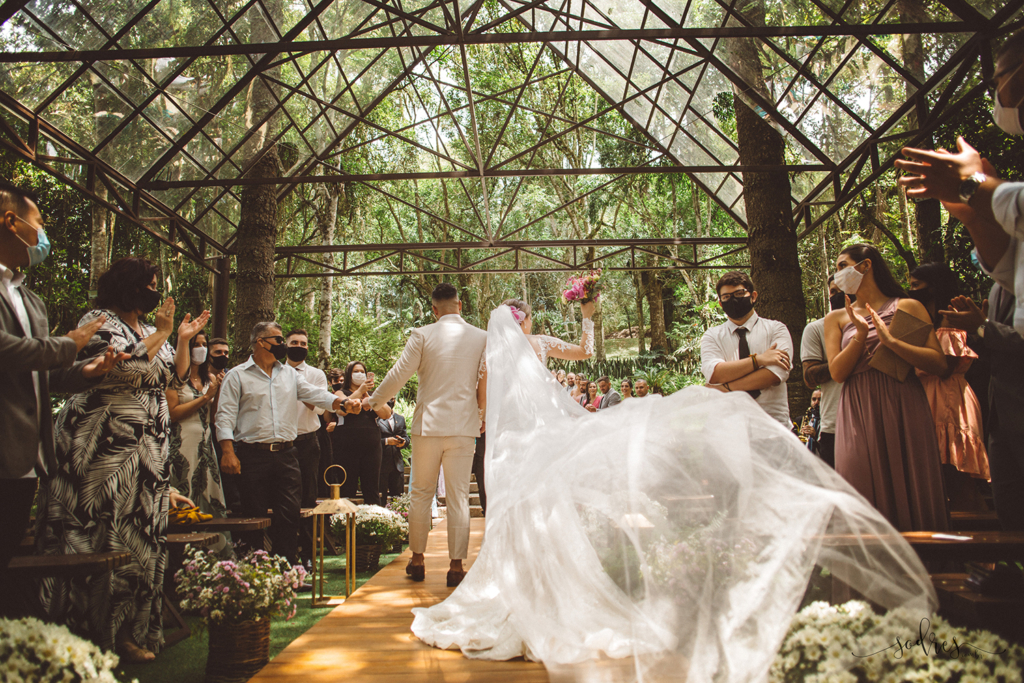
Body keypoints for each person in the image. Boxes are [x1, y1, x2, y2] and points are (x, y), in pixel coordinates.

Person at [410, 301, 936, 681]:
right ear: (515, 322)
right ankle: (536, 589)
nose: (521, 319)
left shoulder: (516, 352)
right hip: (533, 437)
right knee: (536, 517)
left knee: (532, 517)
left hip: (518, 442)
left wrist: (590, 313)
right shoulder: (503, 355)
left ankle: (534, 589)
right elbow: (528, 383)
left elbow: (546, 373)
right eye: (518, 313)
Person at [37, 257, 204, 661]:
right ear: (128, 287)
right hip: (102, 444)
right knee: (100, 532)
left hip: (148, 448)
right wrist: (161, 334)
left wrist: (178, 340)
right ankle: (90, 633)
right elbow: (118, 364)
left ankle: (131, 631)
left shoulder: (150, 329)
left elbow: (172, 379)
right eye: (148, 283)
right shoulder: (98, 319)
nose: (154, 290)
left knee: (142, 536)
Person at [896, 33, 1024, 530]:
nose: (996, 93)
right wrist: (973, 213)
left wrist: (976, 183)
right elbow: (1008, 269)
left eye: (1000, 79)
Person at [0, 183, 126, 614]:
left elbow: (44, 374)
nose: (42, 235)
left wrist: (86, 373)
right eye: (38, 223)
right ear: (10, 221)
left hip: (28, 458)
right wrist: (69, 344)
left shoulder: (30, 300)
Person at [364, 284, 492, 587]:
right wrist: (481, 417)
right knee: (459, 497)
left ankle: (418, 559)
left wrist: (372, 402)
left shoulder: (422, 334)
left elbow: (398, 374)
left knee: (421, 493)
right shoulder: (482, 338)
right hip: (463, 428)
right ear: (459, 305)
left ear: (434, 309)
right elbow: (484, 384)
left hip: (428, 427)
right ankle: (456, 565)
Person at [822, 244, 949, 532]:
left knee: (911, 479)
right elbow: (837, 373)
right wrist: (861, 336)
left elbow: (938, 364)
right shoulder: (837, 318)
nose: (838, 273)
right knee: (859, 482)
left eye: (843, 266)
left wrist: (892, 343)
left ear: (865, 266)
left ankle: (929, 567)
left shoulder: (907, 306)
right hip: (857, 407)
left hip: (904, 401)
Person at [216, 322, 363, 569]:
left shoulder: (289, 375)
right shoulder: (237, 375)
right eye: (278, 339)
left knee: (289, 515)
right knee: (254, 516)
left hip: (287, 454)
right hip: (252, 456)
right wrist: (228, 452)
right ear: (260, 342)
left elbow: (316, 395)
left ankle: (287, 571)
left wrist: (343, 404)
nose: (283, 345)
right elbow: (224, 415)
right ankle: (257, 572)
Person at [908, 263, 990, 509]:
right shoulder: (923, 319)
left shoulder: (953, 315)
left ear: (933, 287)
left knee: (958, 475)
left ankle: (979, 538)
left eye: (916, 286)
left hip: (949, 399)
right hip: (925, 396)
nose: (911, 291)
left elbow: (945, 366)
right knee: (936, 478)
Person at [700, 270, 793, 427]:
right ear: (721, 303)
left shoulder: (776, 329)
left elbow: (774, 373)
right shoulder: (712, 336)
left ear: (753, 296)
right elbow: (715, 373)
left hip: (773, 425)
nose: (733, 300)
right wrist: (759, 360)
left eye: (739, 293)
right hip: (730, 426)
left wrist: (726, 387)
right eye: (726, 297)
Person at [167, 330, 229, 554]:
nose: (201, 348)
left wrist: (215, 391)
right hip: (181, 441)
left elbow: (212, 416)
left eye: (204, 344)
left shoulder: (209, 378)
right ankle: (182, 553)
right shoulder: (173, 379)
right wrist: (205, 397)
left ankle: (215, 554)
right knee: (187, 489)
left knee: (209, 494)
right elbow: (172, 413)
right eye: (196, 344)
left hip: (205, 441)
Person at [284, 328, 328, 568]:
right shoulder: (275, 371)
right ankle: (285, 553)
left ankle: (309, 554)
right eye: (294, 342)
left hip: (308, 441)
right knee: (284, 499)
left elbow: (320, 408)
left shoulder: (316, 374)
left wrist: (299, 386)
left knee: (308, 498)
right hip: (282, 442)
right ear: (286, 345)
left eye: (303, 343)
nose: (299, 346)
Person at [800, 276, 845, 468]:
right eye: (833, 292)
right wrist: (848, 360)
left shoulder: (877, 321)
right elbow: (809, 377)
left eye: (841, 290)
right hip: (834, 424)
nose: (837, 296)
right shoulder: (817, 329)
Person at [333, 360, 390, 505]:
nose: (359, 374)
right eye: (355, 371)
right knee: (347, 487)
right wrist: (358, 392)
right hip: (346, 447)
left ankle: (373, 521)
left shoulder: (371, 395)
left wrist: (369, 397)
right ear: (348, 374)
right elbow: (340, 409)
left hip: (371, 447)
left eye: (362, 372)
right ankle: (343, 525)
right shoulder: (341, 392)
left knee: (371, 488)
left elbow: (386, 414)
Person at [378, 398, 408, 506]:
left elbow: (406, 437)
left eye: (392, 399)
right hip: (381, 465)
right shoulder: (377, 419)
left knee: (398, 499)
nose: (390, 401)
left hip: (397, 464)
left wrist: (403, 442)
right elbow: (371, 440)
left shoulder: (400, 419)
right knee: (381, 498)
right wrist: (386, 441)